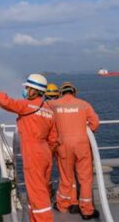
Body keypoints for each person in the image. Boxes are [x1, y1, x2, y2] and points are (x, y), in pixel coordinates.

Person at [0, 74, 58, 222]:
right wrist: (47, 153)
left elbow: (6, 102)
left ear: (34, 90)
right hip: (45, 153)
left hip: (33, 153)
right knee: (38, 190)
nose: (25, 90)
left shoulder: (26, 106)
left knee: (38, 193)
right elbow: (54, 139)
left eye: (27, 88)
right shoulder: (48, 109)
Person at [49, 82, 100, 220]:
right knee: (85, 178)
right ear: (73, 92)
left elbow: (48, 124)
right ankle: (87, 210)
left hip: (63, 146)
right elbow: (95, 123)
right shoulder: (83, 104)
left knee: (66, 177)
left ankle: (65, 204)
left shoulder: (53, 105)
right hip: (82, 146)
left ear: (61, 92)